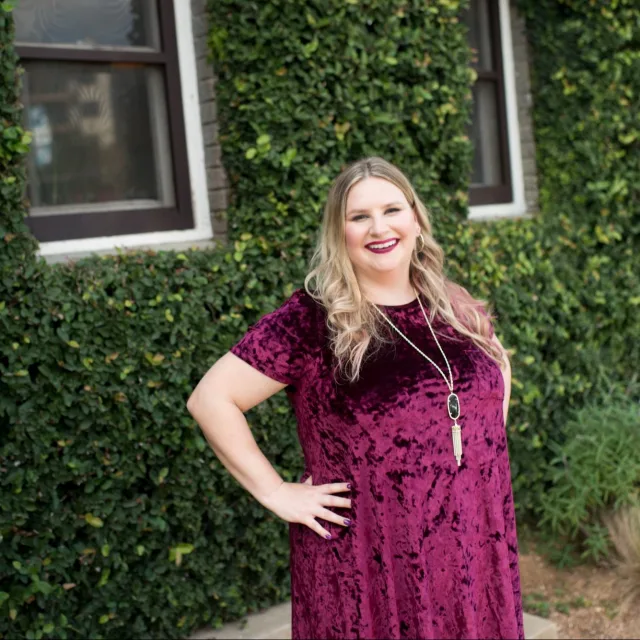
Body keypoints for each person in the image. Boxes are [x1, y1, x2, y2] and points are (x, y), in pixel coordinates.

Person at [186, 157, 524, 639]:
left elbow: (495, 374)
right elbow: (211, 399)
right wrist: (276, 492)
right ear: (337, 231)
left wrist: (472, 462)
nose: (379, 227)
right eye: (359, 216)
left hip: (473, 541)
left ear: (416, 219)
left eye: (392, 210)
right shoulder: (311, 320)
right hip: (369, 558)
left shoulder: (455, 305)